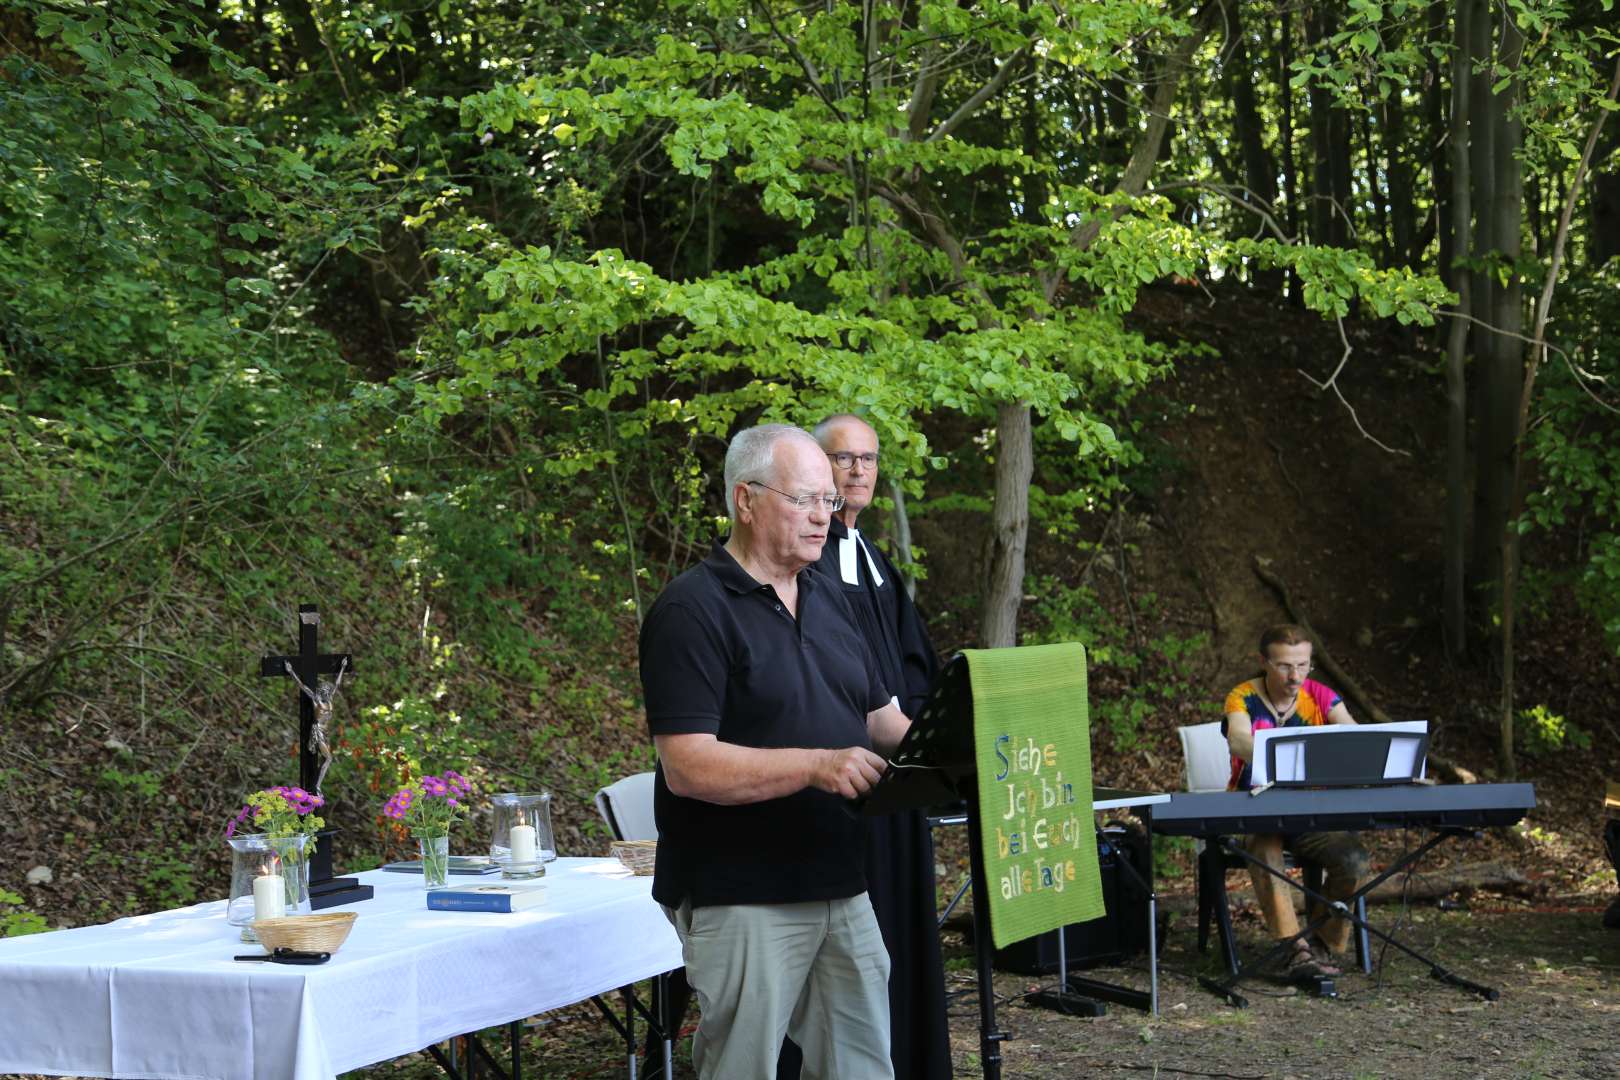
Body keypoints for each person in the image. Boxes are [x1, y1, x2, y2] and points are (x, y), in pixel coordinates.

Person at [640, 423, 911, 1080]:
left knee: (863, 1069)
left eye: (828, 499)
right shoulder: (692, 611)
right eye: (804, 500)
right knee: (742, 1071)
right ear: (746, 499)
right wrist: (818, 765)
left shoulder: (832, 599)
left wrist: (974, 747)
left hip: (840, 883)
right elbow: (689, 766)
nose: (825, 516)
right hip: (742, 892)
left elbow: (884, 722)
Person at [809, 413, 951, 1080]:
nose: (859, 470)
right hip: (850, 781)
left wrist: (929, 737)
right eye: (844, 458)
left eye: (868, 459)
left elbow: (915, 664)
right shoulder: (811, 563)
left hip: (901, 780)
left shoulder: (872, 557)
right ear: (816, 466)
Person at [1222, 624, 1370, 979]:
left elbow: (1355, 738)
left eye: (1303, 665)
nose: (1295, 676)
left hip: (1309, 815)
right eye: (1285, 665)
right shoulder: (1241, 697)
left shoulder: (1320, 696)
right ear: (1264, 662)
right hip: (1252, 811)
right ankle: (1294, 949)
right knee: (1265, 850)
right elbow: (1240, 741)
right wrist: (1296, 758)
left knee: (1353, 858)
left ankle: (1322, 943)